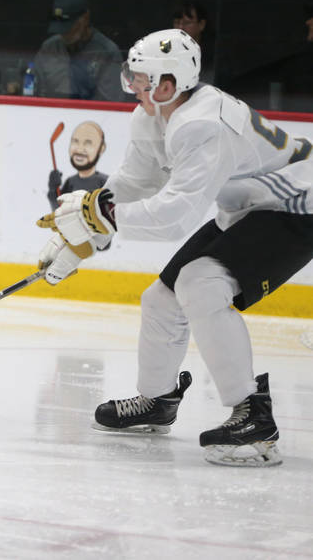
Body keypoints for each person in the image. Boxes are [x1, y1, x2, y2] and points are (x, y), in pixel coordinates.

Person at [37, 28, 313, 467]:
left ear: (168, 84)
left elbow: (176, 215)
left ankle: (254, 416)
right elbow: (133, 184)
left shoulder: (205, 124)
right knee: (161, 299)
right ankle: (158, 400)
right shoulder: (152, 114)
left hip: (297, 206)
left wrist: (104, 218)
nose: (131, 85)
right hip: (248, 206)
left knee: (202, 284)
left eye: (139, 78)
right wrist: (78, 237)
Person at [34, 0, 123, 101]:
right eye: (60, 28)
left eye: (69, 26)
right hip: (50, 112)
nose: (64, 33)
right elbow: (36, 90)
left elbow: (111, 102)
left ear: (85, 17)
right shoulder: (49, 47)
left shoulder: (107, 52)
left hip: (91, 115)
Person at [46, 121, 108, 211]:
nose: (79, 149)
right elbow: (59, 211)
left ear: (101, 148)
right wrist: (53, 191)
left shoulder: (105, 182)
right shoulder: (70, 182)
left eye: (88, 143)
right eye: (75, 141)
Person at [171, 0, 215, 83]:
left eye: (187, 23)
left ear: (201, 24)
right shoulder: (166, 49)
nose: (180, 27)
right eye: (177, 22)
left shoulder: (213, 55)